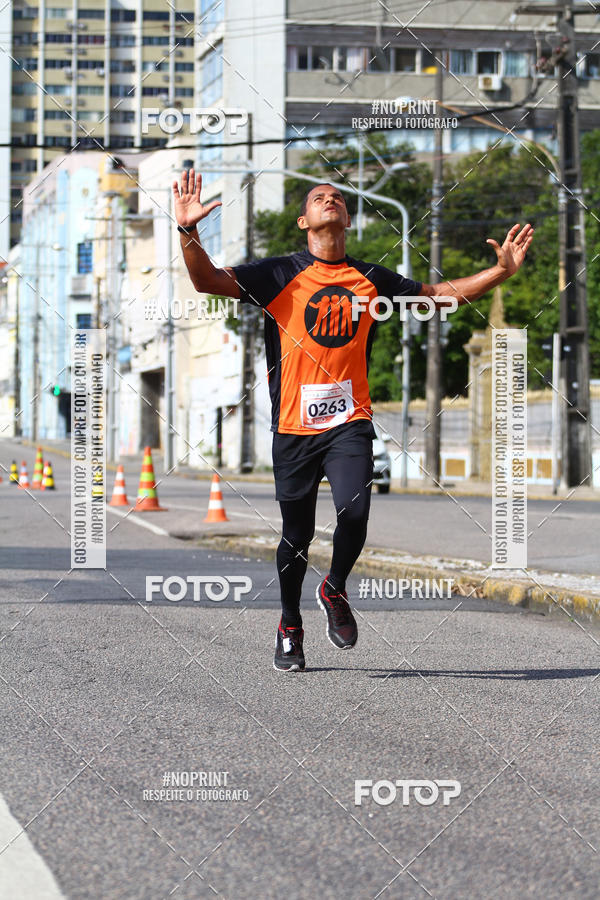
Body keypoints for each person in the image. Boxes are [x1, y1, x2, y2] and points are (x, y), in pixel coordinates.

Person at [174, 170, 534, 672]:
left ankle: (335, 587)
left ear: (347, 218)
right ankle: (288, 625)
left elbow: (437, 294)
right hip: (294, 428)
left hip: (349, 422)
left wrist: (501, 273)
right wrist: (188, 232)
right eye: (319, 197)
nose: (330, 199)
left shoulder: (371, 278)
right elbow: (205, 280)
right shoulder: (278, 274)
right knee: (295, 537)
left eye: (338, 197)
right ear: (304, 220)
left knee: (356, 513)